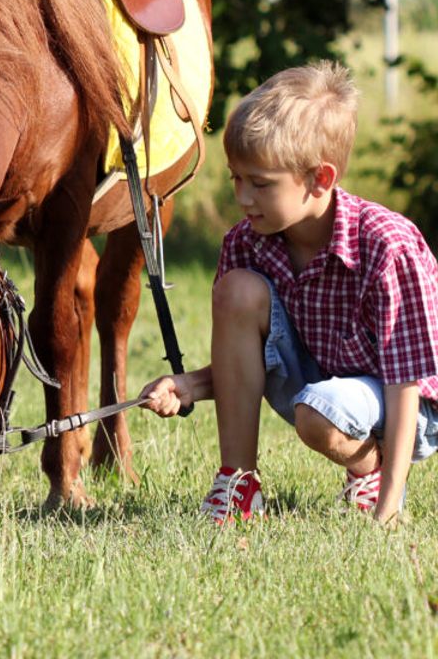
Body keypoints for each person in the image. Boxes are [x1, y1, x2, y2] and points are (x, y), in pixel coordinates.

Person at [141, 61, 438, 524]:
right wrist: (188, 386)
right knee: (239, 292)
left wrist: (390, 506)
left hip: (407, 404)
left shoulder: (386, 245)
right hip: (319, 389)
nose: (242, 198)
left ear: (321, 178)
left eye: (261, 184)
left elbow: (405, 385)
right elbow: (247, 363)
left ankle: (372, 473)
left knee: (318, 411)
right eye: (236, 178)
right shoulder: (244, 243)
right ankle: (238, 485)